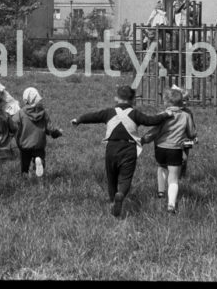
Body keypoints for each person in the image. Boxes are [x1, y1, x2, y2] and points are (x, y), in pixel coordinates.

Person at [70, 85, 174, 217]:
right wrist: (165, 114)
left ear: (116, 98)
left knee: (111, 177)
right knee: (125, 178)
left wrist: (78, 120)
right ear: (133, 101)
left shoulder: (108, 112)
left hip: (111, 149)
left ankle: (113, 201)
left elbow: (93, 116)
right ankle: (121, 194)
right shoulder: (135, 114)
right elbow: (150, 121)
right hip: (129, 149)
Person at [140, 88, 197, 214]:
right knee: (173, 177)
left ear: (166, 102)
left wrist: (144, 140)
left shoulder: (162, 115)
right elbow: (192, 133)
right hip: (175, 149)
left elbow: (154, 131)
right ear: (181, 102)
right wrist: (192, 137)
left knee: (161, 167)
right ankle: (171, 205)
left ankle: (161, 192)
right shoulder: (186, 116)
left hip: (160, 148)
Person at [13, 87, 63, 178]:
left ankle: (25, 178)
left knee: (25, 164)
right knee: (40, 157)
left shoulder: (20, 113)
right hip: (39, 144)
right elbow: (50, 128)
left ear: (25, 100)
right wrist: (57, 133)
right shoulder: (43, 113)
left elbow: (13, 125)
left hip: (24, 145)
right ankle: (38, 161)